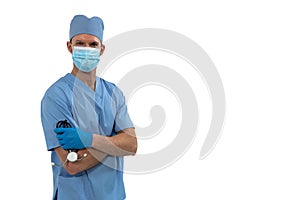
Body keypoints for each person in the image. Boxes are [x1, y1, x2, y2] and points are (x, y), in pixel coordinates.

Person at [41, 14, 137, 200]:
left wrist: (88, 140)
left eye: (93, 44)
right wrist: (116, 143)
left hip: (114, 195)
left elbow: (132, 145)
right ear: (69, 47)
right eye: (80, 44)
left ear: (102, 49)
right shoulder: (56, 96)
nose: (87, 49)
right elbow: (73, 164)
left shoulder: (113, 92)